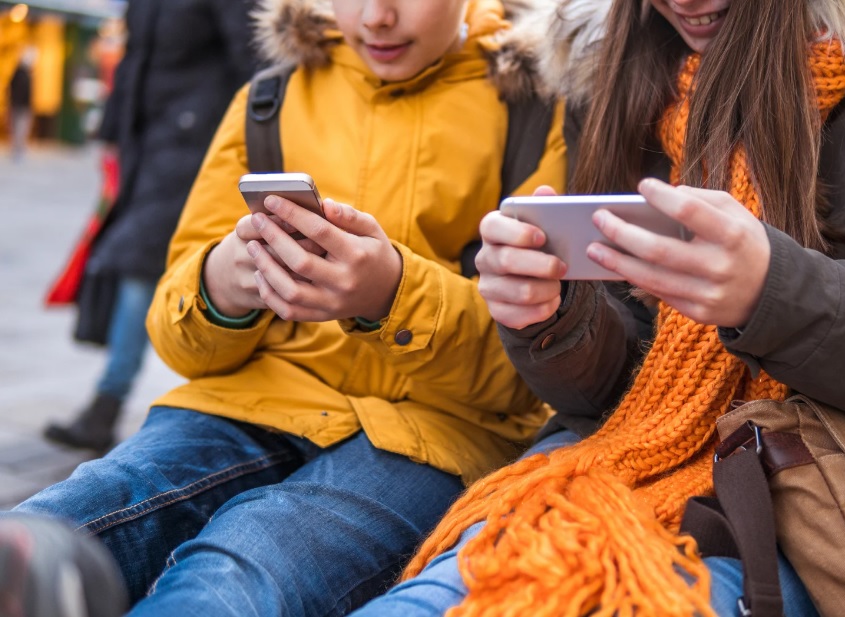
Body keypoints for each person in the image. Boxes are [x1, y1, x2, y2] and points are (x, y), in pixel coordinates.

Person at [350, 0, 845, 615]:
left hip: (810, 493)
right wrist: (550, 317)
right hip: (612, 457)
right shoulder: (608, 69)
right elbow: (608, 387)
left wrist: (771, 292)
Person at [7, 0, 568, 615]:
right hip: (243, 404)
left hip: (436, 435)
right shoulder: (269, 95)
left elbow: (536, 374)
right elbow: (175, 339)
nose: (375, 18)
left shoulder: (540, 106)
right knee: (52, 528)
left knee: (234, 582)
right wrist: (220, 287)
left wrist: (392, 297)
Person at [43, 0, 261, 451]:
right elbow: (134, 63)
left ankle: (111, 403)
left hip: (197, 150)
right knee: (136, 266)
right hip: (149, 148)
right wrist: (114, 134)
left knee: (142, 268)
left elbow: (256, 59)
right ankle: (119, 403)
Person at [7, 48, 35, 162]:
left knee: (20, 130)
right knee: (19, 129)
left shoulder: (24, 73)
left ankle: (18, 150)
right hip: (20, 107)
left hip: (21, 106)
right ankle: (17, 151)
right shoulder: (21, 74)